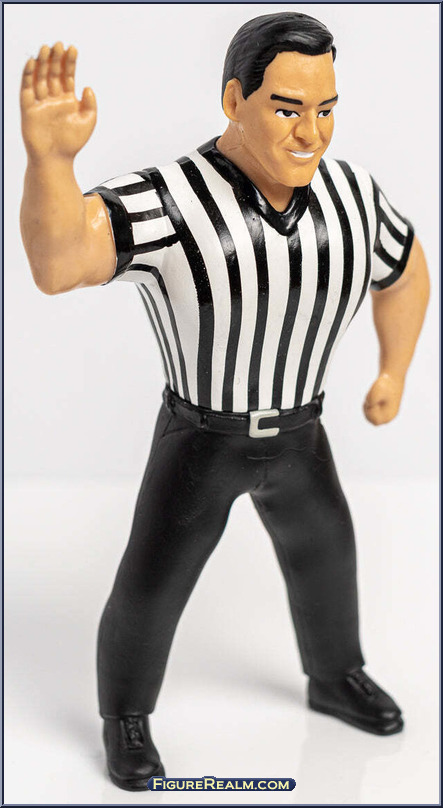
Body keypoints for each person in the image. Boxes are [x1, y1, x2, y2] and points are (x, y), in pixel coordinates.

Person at [20, 12, 429, 792]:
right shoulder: (170, 199)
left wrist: (394, 370)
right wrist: (50, 165)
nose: (310, 133)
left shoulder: (351, 196)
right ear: (234, 99)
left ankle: (334, 674)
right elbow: (61, 263)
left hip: (301, 432)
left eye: (325, 109)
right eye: (287, 108)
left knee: (327, 555)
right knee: (154, 580)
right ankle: (125, 717)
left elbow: (404, 269)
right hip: (201, 436)